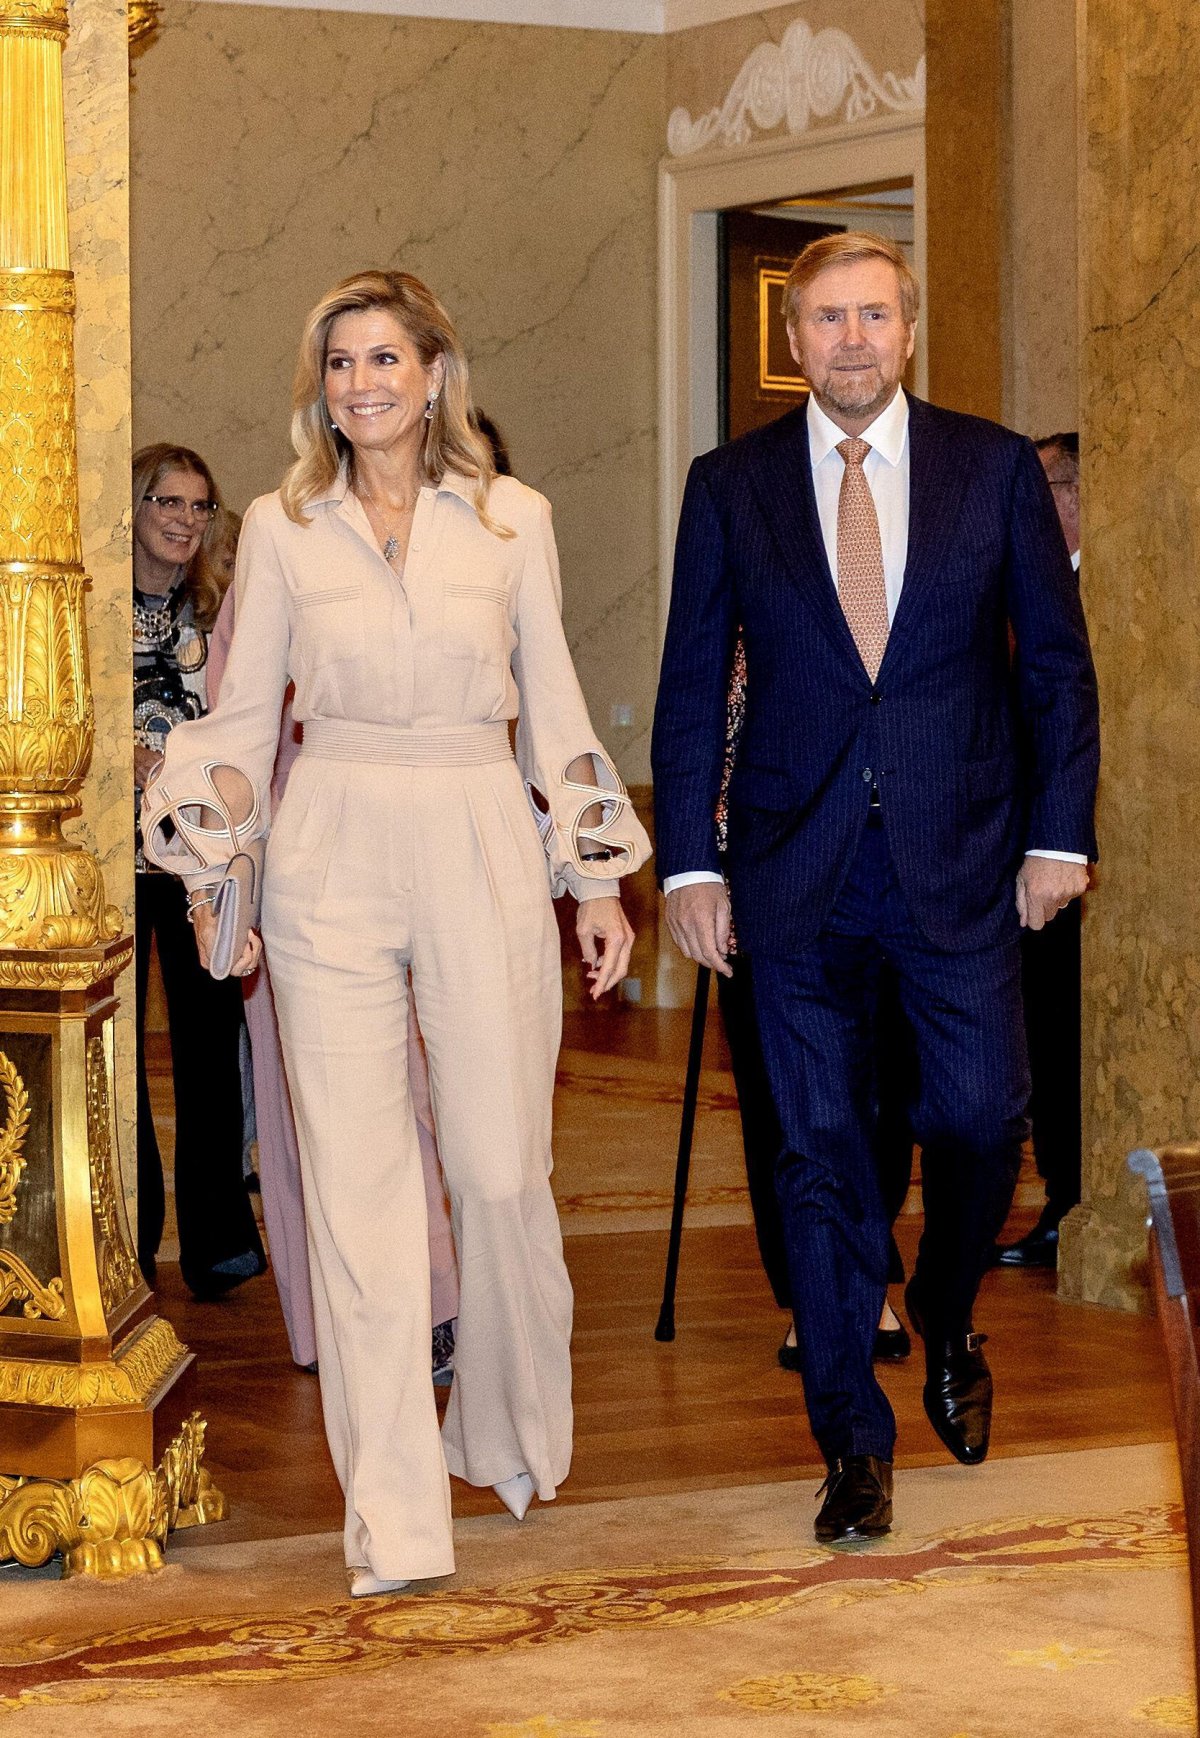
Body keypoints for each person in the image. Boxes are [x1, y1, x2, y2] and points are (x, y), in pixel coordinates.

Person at [143, 269, 649, 1597]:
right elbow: (243, 726)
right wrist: (214, 877)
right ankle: (395, 1510)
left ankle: (507, 1424)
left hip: (483, 825)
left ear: (435, 372)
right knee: (361, 1195)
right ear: (322, 387)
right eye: (340, 363)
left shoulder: (511, 519)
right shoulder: (281, 524)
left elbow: (556, 704)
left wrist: (594, 878)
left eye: (385, 358)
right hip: (334, 850)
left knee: (495, 1169)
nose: (362, 383)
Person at [652, 232, 1098, 1543]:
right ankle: (852, 1437)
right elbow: (690, 683)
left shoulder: (993, 469)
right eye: (826, 319)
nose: (851, 338)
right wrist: (689, 857)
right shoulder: (729, 485)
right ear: (793, 341)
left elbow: (1055, 672)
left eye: (874, 316)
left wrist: (1058, 836)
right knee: (820, 1161)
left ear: (909, 330)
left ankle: (950, 1308)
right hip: (792, 882)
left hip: (961, 868)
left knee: (979, 1118)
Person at [208, 567, 462, 1377]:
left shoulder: (454, 560)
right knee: (302, 1109)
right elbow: (236, 749)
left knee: (424, 1098)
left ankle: (438, 1303)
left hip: (429, 857)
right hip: (299, 870)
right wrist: (231, 893)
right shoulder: (281, 556)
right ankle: (336, 1315)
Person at [132, 443, 266, 1299]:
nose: (185, 521)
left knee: (212, 1043)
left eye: (199, 507)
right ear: (133, 509)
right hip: (107, 852)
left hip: (201, 859)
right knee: (115, 1055)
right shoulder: (88, 601)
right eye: (167, 503)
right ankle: (127, 1239)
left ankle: (218, 1241)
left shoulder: (221, 605)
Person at [995, 432, 1085, 1269]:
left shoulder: (1109, 589)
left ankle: (1071, 1197)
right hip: (1011, 848)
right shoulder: (1012, 588)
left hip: (1066, 852)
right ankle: (1060, 1194)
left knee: (1062, 1037)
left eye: (1047, 482)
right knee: (1039, 1038)